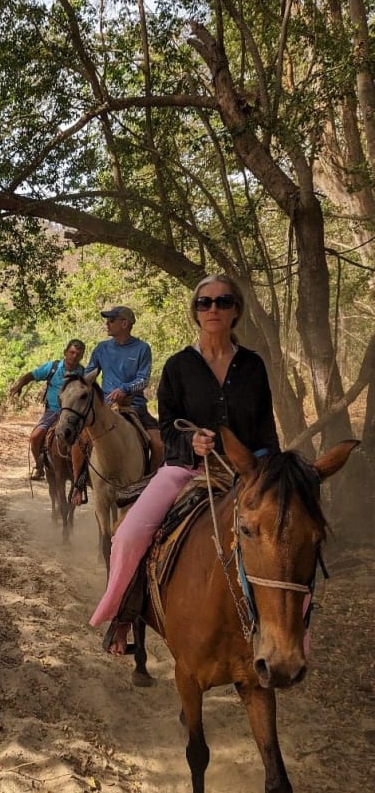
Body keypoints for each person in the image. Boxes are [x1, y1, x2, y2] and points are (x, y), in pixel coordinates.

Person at [90, 275, 280, 654]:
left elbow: (265, 431)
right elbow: (168, 426)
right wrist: (191, 442)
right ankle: (123, 615)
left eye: (223, 302)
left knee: (293, 537)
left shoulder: (254, 366)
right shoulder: (178, 367)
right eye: (204, 303)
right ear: (195, 312)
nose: (213, 309)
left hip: (247, 473)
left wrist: (264, 470)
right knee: (126, 533)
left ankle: (290, 636)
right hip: (188, 470)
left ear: (235, 310)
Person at [72, 306, 164, 499]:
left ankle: (149, 486)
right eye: (108, 320)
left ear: (125, 323)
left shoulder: (142, 349)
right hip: (105, 407)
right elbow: (89, 372)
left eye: (111, 320)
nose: (107, 323)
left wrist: (125, 389)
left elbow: (143, 379)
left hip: (134, 406)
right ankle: (78, 486)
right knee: (80, 441)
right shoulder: (101, 348)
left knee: (158, 444)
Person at [10, 339, 86, 479]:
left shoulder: (83, 373)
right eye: (72, 352)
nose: (74, 356)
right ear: (65, 352)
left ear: (82, 357)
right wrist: (19, 385)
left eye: (78, 354)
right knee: (35, 436)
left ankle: (84, 474)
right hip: (53, 411)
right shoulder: (53, 367)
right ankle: (39, 467)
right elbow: (31, 375)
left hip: (73, 415)